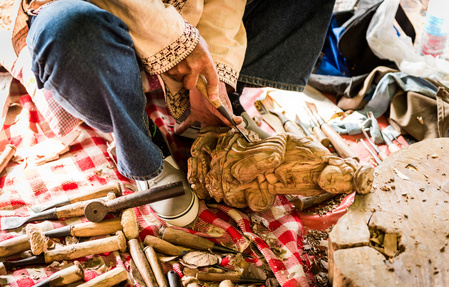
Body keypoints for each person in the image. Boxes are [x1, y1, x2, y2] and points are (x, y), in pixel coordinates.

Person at [11, 0, 335, 226]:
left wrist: (215, 69)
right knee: (70, 29)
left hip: (184, 18)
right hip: (94, 24)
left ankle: (214, 112)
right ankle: (143, 146)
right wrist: (178, 45)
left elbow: (225, 4)